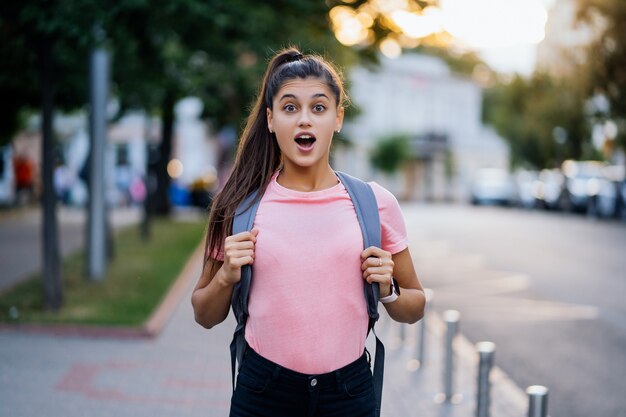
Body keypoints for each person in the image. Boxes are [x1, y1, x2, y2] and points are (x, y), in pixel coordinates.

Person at [192, 47, 426, 417]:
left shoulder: (374, 203)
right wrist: (225, 277)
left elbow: (415, 305)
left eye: (318, 108)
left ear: (338, 118)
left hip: (347, 395)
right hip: (263, 393)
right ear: (270, 120)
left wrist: (388, 291)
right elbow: (204, 315)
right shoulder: (237, 206)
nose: (304, 120)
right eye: (289, 108)